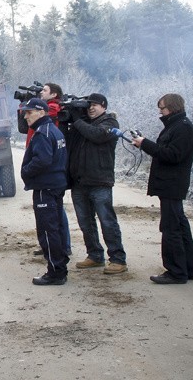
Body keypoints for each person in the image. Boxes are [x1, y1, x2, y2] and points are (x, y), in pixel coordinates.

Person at [131, 93, 193, 284]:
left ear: (172, 107)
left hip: (172, 185)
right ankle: (189, 269)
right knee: (179, 225)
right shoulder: (177, 126)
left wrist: (145, 144)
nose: (160, 112)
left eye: (162, 108)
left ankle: (176, 272)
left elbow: (172, 155)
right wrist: (144, 144)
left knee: (171, 229)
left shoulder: (183, 128)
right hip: (170, 184)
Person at [66, 93, 128, 275]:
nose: (91, 108)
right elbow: (68, 141)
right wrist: (68, 119)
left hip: (100, 181)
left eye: (95, 105)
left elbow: (97, 135)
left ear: (104, 107)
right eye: (88, 105)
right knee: (85, 222)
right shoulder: (82, 124)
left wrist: (77, 121)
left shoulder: (110, 123)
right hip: (79, 182)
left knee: (107, 221)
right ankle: (95, 255)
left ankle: (118, 260)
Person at [19, 97, 69, 285]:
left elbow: (42, 160)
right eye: (25, 112)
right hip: (55, 185)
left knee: (48, 230)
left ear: (41, 112)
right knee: (57, 227)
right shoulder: (54, 130)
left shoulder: (42, 133)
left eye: (29, 112)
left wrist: (26, 172)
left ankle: (55, 272)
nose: (26, 116)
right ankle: (60, 267)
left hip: (45, 187)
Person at [30, 83, 72, 258]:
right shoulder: (46, 129)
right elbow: (24, 127)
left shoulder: (52, 116)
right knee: (53, 219)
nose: (41, 92)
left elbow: (43, 160)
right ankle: (55, 249)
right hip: (53, 180)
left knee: (51, 222)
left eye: (44, 91)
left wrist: (26, 171)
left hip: (47, 182)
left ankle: (58, 257)